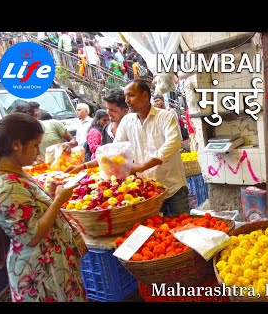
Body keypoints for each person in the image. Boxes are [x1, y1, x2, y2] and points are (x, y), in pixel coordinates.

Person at [0, 113, 87, 302]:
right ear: (16, 145)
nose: (38, 151)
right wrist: (58, 201)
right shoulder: (6, 186)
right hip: (40, 270)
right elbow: (31, 235)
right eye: (35, 145)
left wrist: (49, 196)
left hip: (51, 262)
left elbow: (31, 212)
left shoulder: (14, 172)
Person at [67, 79, 189, 216]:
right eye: (125, 96)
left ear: (144, 95)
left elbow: (173, 143)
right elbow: (114, 152)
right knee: (156, 231)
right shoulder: (127, 121)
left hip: (173, 187)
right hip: (148, 191)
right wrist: (84, 166)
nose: (127, 100)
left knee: (183, 227)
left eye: (131, 95)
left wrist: (143, 166)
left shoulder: (165, 117)